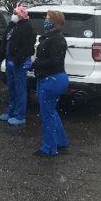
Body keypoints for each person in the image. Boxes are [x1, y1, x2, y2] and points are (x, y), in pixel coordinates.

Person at [31, 10, 69, 157]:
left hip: (52, 79)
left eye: (47, 18)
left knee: (47, 114)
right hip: (50, 78)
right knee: (51, 112)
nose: (45, 20)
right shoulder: (50, 37)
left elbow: (54, 61)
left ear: (54, 21)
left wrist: (35, 64)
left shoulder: (57, 39)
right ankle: (61, 141)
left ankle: (49, 148)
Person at [0, 5, 36, 126]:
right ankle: (11, 112)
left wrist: (16, 60)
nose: (14, 15)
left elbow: (27, 47)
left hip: (19, 63)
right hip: (10, 61)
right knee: (11, 88)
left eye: (16, 13)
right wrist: (0, 57)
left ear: (22, 15)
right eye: (13, 13)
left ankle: (20, 115)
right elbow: (6, 42)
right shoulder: (12, 26)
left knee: (20, 89)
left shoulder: (27, 27)